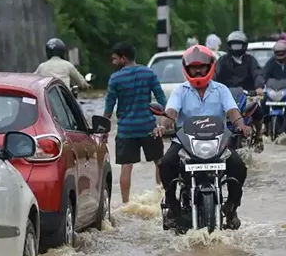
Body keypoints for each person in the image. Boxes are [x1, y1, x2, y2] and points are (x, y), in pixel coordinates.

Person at [154, 45, 251, 230]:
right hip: (184, 143)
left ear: (210, 67)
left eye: (202, 67)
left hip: (218, 143)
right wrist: (161, 127)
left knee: (239, 166)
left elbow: (233, 111)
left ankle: (231, 206)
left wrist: (242, 126)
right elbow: (171, 113)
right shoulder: (180, 91)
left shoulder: (221, 90)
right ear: (187, 69)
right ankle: (172, 204)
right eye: (193, 68)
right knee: (165, 164)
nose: (198, 70)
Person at [103, 42, 167, 204]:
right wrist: (165, 120)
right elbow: (162, 100)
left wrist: (104, 130)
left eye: (115, 59)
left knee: (126, 166)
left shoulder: (115, 78)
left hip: (126, 130)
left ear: (124, 58)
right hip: (149, 127)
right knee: (159, 162)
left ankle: (126, 204)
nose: (113, 63)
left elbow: (109, 107)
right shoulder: (148, 73)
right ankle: (163, 197)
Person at [214, 30, 265, 152]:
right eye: (233, 45)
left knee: (257, 110)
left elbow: (257, 73)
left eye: (239, 45)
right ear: (229, 45)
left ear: (245, 45)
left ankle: (258, 135)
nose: (236, 48)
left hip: (246, 95)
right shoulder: (222, 61)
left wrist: (258, 87)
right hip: (225, 95)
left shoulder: (250, 60)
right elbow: (214, 75)